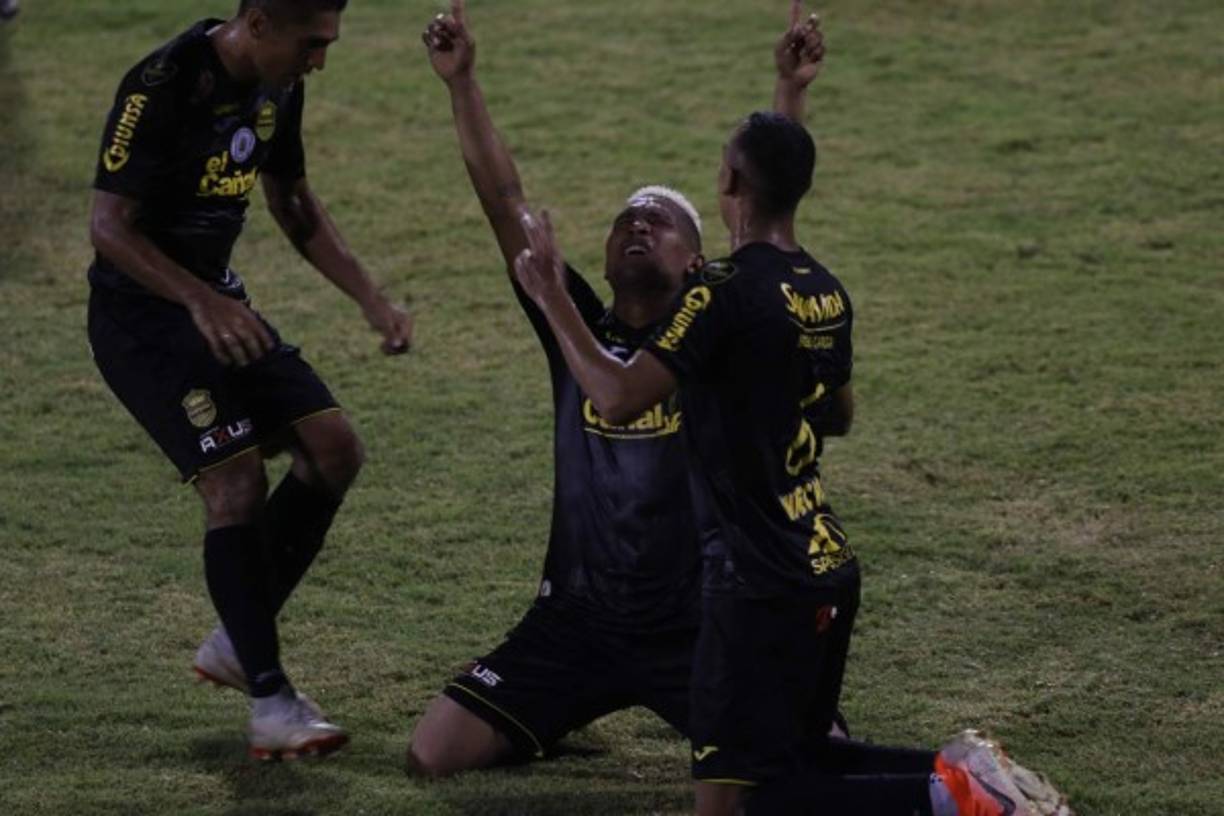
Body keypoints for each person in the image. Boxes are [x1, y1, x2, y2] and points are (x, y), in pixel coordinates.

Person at [509, 6, 1073, 814]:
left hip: (752, 582)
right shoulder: (823, 291)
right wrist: (788, 93)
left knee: (739, 804)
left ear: (730, 183)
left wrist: (549, 295)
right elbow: (837, 413)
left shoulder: (720, 294)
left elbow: (617, 397)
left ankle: (951, 799)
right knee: (800, 758)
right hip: (822, 564)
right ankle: (958, 775)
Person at [406, 0, 841, 776]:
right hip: (578, 618)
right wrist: (461, 85)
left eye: (664, 221)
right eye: (626, 220)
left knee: (809, 763)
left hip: (700, 622)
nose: (640, 225)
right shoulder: (571, 321)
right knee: (436, 752)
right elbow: (502, 198)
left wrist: (789, 95)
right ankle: (564, 707)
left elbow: (768, 207)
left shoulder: (723, 327)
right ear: (603, 258)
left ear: (700, 263)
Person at [87, 0, 412, 761]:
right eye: (312, 44)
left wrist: (370, 298)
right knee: (233, 482)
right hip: (143, 320)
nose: (319, 62)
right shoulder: (162, 85)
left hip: (216, 304)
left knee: (334, 449)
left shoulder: (278, 84)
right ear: (259, 22)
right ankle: (270, 700)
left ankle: (238, 642)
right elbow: (109, 226)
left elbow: (292, 201)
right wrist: (199, 300)